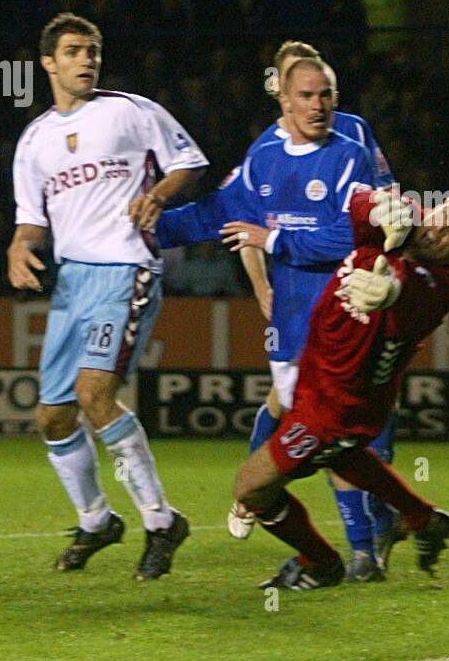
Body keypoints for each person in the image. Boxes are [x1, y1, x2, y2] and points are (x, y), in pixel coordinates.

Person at [156, 53, 399, 580]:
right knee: (315, 431)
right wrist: (151, 231)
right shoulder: (264, 156)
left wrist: (277, 239)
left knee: (337, 435)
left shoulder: (349, 152)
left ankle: (357, 552)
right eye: (307, 96)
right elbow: (218, 214)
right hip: (291, 323)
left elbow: (357, 233)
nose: (318, 105)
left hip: (345, 315)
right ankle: (377, 523)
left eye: (325, 95)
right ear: (283, 100)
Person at [8, 12, 207, 579]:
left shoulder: (129, 110)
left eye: (92, 50)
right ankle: (97, 521)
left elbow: (188, 162)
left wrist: (160, 196)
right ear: (49, 62)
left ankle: (161, 520)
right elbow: (30, 221)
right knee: (51, 416)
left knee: (96, 395)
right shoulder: (35, 141)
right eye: (73, 51)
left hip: (126, 268)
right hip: (72, 282)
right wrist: (18, 249)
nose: (86, 60)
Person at [232, 187, 449, 590]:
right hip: (319, 385)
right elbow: (359, 203)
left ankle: (320, 564)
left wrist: (391, 289)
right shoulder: (408, 221)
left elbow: (408, 300)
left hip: (336, 411)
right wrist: (377, 208)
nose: (436, 230)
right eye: (441, 216)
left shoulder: (435, 288)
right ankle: (424, 519)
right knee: (346, 460)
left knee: (252, 488)